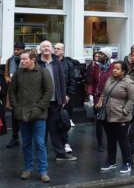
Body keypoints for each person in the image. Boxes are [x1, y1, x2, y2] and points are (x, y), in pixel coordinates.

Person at [8, 50, 53, 182]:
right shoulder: (18, 73)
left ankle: (43, 171)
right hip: (22, 113)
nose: (22, 61)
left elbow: (49, 91)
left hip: (38, 114)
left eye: (25, 59)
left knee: (39, 143)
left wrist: (40, 107)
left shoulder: (43, 72)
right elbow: (12, 91)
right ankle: (28, 169)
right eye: (21, 59)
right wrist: (16, 106)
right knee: (26, 143)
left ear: (33, 59)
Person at [37, 40, 77, 161]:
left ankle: (60, 153)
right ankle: (41, 155)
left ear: (51, 49)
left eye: (48, 46)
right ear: (40, 49)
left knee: (55, 128)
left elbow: (61, 81)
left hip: (55, 101)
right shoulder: (36, 62)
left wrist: (63, 97)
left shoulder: (56, 62)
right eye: (43, 46)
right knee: (41, 129)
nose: (46, 48)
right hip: (41, 102)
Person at [97, 61, 134, 174]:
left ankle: (127, 163)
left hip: (121, 116)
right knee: (110, 140)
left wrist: (125, 111)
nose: (114, 70)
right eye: (114, 68)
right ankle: (111, 161)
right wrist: (100, 101)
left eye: (117, 69)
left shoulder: (129, 82)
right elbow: (104, 93)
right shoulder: (110, 79)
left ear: (123, 71)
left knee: (123, 140)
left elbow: (132, 99)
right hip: (108, 115)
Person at [87, 47, 115, 152]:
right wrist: (90, 95)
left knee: (109, 122)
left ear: (107, 56)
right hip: (97, 97)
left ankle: (110, 142)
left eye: (101, 54)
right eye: (98, 53)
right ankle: (100, 144)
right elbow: (91, 82)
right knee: (99, 121)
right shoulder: (95, 67)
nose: (98, 55)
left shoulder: (113, 67)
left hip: (110, 98)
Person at [54, 43, 77, 155]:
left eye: (58, 49)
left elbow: (72, 81)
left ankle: (65, 143)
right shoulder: (51, 63)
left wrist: (68, 95)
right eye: (55, 48)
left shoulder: (68, 64)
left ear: (63, 51)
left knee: (63, 120)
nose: (56, 50)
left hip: (64, 97)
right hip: (52, 97)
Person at [4, 41, 26, 149]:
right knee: (14, 116)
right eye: (15, 49)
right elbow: (6, 74)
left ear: (23, 50)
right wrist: (9, 80)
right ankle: (15, 138)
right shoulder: (10, 60)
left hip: (26, 92)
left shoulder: (27, 60)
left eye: (18, 49)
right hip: (13, 91)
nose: (16, 51)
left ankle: (27, 139)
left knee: (26, 116)